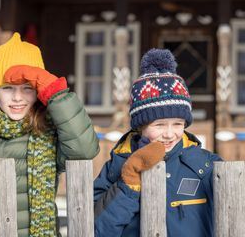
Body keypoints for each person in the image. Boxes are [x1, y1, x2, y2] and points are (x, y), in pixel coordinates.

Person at [0, 32, 99, 236]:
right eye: (7, 88)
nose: (17, 98)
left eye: (27, 88)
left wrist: (57, 95)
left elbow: (84, 149)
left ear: (39, 90)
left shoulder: (49, 129)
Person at [94, 48, 222, 237]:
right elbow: (98, 230)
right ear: (140, 126)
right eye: (160, 125)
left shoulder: (205, 165)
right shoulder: (118, 165)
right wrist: (129, 183)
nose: (169, 134)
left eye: (178, 124)